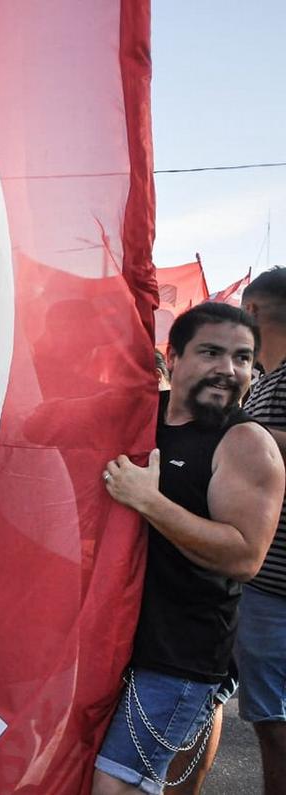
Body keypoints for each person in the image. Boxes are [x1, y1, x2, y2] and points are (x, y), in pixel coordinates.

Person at [93, 302, 284, 795]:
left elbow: (244, 556)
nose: (229, 369)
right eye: (212, 352)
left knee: (117, 787)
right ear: (172, 357)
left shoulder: (245, 443)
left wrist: (149, 502)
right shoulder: (141, 417)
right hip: (110, 640)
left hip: (180, 654)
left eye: (243, 358)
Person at [237, 270, 286, 794]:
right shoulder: (267, 380)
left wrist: (231, 429)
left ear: (250, 315)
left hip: (274, 589)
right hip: (259, 581)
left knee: (275, 726)